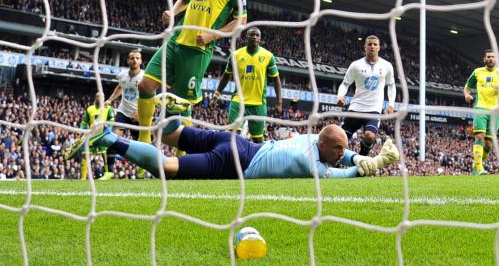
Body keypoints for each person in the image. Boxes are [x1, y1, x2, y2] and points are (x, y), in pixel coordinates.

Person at [65, 116, 399, 180]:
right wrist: (371, 164)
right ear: (324, 144)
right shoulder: (307, 163)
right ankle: (109, 138)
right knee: (167, 168)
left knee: (172, 136)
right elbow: (343, 173)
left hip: (236, 140)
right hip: (234, 159)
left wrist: (358, 155)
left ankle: (166, 112)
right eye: (339, 149)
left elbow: (344, 152)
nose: (342, 154)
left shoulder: (313, 139)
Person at [137, 0, 247, 147]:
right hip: (176, 39)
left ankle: (182, 154)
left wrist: (212, 36)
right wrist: (173, 12)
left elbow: (241, 21)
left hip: (198, 50)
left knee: (181, 104)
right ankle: (144, 140)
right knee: (145, 85)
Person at [213, 27, 282, 143]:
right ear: (246, 37)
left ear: (260, 39)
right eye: (252, 35)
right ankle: (231, 160)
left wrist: (279, 102)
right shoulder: (235, 55)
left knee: (258, 139)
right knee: (232, 136)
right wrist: (217, 94)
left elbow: (276, 79)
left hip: (258, 104)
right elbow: (226, 76)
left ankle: (257, 161)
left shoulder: (268, 56)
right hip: (238, 101)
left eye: (257, 35)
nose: (254, 37)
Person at [337, 35, 396, 156]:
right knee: (340, 139)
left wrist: (391, 104)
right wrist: (340, 96)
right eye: (369, 44)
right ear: (365, 47)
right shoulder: (356, 65)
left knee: (370, 136)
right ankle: (336, 163)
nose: (372, 47)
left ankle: (362, 159)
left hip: (373, 109)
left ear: (379, 47)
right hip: (356, 107)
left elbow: (391, 86)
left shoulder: (387, 66)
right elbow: (345, 84)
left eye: (375, 44)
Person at [463, 50, 499, 175]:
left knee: (489, 144)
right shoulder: (477, 72)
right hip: (480, 108)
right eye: (488, 57)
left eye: (493, 57)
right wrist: (467, 95)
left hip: (495, 111)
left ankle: (475, 167)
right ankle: (480, 168)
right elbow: (467, 87)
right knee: (480, 136)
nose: (491, 59)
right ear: (484, 59)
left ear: (495, 59)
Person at [76, 92, 116, 180]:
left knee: (104, 154)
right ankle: (83, 177)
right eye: (98, 97)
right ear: (95, 98)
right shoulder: (90, 109)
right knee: (85, 154)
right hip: (92, 135)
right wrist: (82, 131)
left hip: (103, 135)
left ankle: (107, 174)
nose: (100, 98)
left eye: (102, 97)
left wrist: (108, 128)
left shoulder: (108, 108)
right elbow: (84, 122)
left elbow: (112, 120)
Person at [106, 49, 143, 134]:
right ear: (128, 61)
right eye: (132, 58)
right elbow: (120, 87)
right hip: (123, 111)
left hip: (138, 114)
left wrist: (140, 111)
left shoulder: (144, 77)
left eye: (137, 58)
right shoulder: (122, 75)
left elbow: (149, 96)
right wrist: (110, 100)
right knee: (115, 137)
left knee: (138, 141)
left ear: (140, 61)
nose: (135, 60)